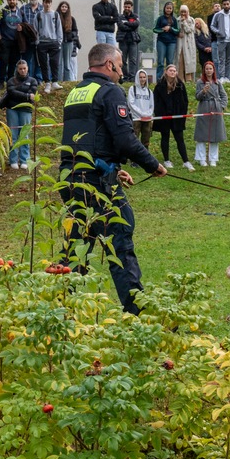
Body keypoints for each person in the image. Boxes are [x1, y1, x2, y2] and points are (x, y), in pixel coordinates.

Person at [58, 43, 167, 314]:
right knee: (120, 237)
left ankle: (59, 310)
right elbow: (125, 138)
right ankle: (138, 311)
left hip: (71, 178)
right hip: (96, 184)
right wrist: (153, 165)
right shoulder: (110, 91)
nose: (122, 70)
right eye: (119, 64)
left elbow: (90, 138)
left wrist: (114, 168)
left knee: (77, 246)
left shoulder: (76, 93)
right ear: (109, 65)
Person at [152, 64, 192, 170]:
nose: (173, 72)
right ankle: (166, 160)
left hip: (177, 117)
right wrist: (159, 113)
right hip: (164, 117)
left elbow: (185, 101)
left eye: (174, 71)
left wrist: (182, 114)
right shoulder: (159, 85)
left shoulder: (180, 85)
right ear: (166, 72)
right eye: (171, 70)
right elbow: (155, 101)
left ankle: (186, 161)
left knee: (180, 139)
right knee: (165, 137)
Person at [3, 59, 38, 170]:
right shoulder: (11, 81)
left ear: (27, 68)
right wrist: (26, 96)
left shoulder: (33, 81)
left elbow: (32, 93)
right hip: (12, 109)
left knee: (24, 135)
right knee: (13, 135)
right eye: (20, 69)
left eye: (24, 68)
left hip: (26, 110)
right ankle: (13, 159)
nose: (22, 70)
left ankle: (24, 159)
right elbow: (12, 92)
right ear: (17, 70)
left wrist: (21, 94)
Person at [193, 60, 227, 167]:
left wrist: (221, 106)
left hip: (216, 109)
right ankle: (201, 158)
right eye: (207, 69)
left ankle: (213, 159)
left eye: (210, 69)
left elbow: (224, 96)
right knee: (201, 135)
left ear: (213, 70)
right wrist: (203, 91)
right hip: (204, 108)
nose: (208, 71)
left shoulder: (217, 83)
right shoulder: (200, 82)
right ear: (204, 70)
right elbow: (197, 97)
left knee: (215, 135)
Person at [35, 0, 63, 92]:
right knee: (43, 64)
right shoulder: (38, 15)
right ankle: (47, 83)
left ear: (51, 4)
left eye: (49, 2)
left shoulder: (55, 14)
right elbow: (35, 29)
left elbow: (59, 28)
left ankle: (55, 82)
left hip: (53, 41)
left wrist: (59, 41)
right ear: (43, 3)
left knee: (54, 63)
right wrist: (37, 41)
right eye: (45, 2)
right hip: (42, 42)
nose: (47, 4)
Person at [211, 0, 230, 82]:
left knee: (229, 60)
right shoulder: (218, 15)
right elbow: (212, 26)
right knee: (221, 60)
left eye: (228, 4)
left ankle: (227, 77)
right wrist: (218, 32)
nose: (226, 6)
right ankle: (221, 77)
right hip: (221, 40)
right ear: (222, 5)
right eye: (224, 4)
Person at [0, 0, 23, 83]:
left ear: (16, 0)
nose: (12, 1)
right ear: (7, 1)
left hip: (16, 42)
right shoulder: (2, 11)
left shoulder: (21, 12)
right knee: (3, 62)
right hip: (5, 41)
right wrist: (0, 37)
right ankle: (1, 82)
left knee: (13, 63)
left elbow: (25, 24)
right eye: (10, 0)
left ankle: (10, 82)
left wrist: (22, 28)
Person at [127, 69, 154, 148]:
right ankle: (133, 158)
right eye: (140, 77)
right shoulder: (133, 89)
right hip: (136, 118)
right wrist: (141, 113)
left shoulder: (149, 91)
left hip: (147, 119)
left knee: (146, 140)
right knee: (134, 139)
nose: (142, 79)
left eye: (144, 77)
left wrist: (148, 114)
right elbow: (131, 104)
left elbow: (151, 105)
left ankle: (145, 157)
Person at [153, 1, 180, 79]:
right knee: (160, 61)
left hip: (171, 42)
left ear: (172, 9)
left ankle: (170, 78)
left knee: (170, 62)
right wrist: (163, 30)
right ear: (164, 8)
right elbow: (155, 29)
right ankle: (159, 79)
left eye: (170, 8)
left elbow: (177, 31)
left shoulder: (174, 19)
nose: (168, 10)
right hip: (161, 41)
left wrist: (170, 28)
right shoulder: (160, 18)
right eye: (167, 8)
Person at [58, 1, 80, 83]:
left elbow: (75, 31)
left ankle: (67, 81)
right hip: (59, 43)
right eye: (62, 6)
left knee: (67, 64)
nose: (64, 8)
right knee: (59, 63)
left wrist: (71, 35)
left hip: (68, 43)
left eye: (65, 7)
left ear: (68, 9)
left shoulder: (71, 19)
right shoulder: (57, 18)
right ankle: (59, 81)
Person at [177, 5, 197, 81]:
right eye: (181, 11)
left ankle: (189, 80)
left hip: (189, 43)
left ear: (187, 12)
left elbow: (189, 30)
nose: (183, 13)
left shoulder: (191, 20)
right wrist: (178, 34)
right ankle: (180, 79)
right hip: (180, 43)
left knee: (189, 62)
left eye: (184, 12)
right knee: (180, 61)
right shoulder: (177, 20)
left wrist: (184, 22)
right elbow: (177, 30)